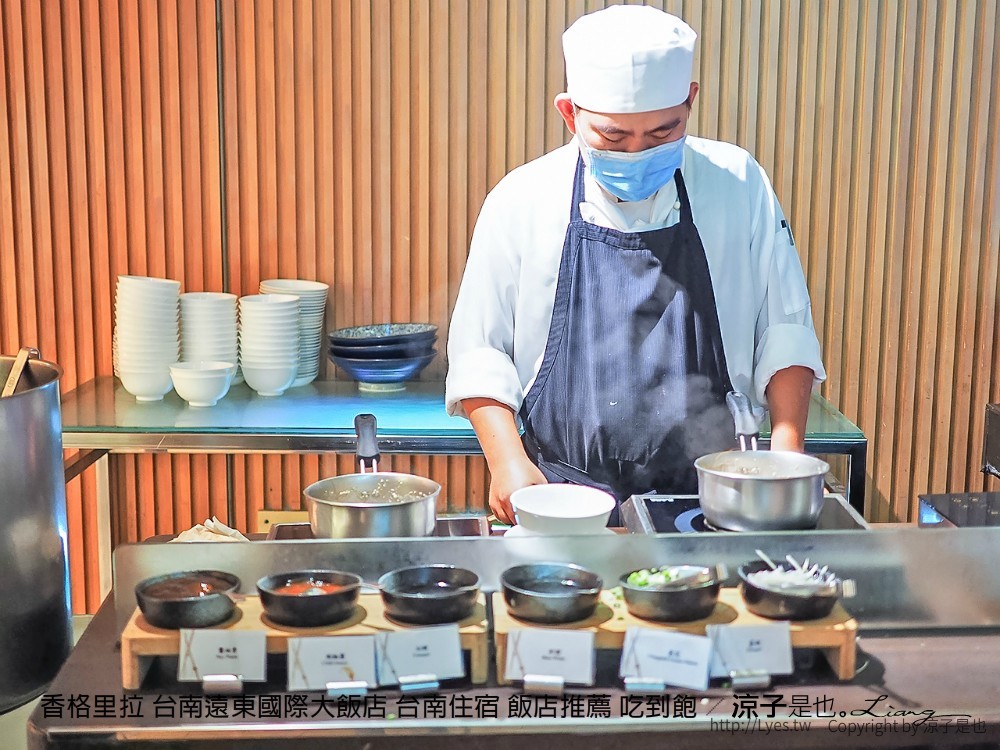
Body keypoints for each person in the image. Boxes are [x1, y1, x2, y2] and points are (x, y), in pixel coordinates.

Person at [445, 5, 826, 525]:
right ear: (569, 113)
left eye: (662, 134)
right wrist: (508, 461)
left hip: (712, 495)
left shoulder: (737, 183)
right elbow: (480, 350)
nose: (637, 154)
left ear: (690, 101)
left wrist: (784, 455)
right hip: (562, 498)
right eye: (613, 138)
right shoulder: (521, 199)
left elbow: (785, 327)